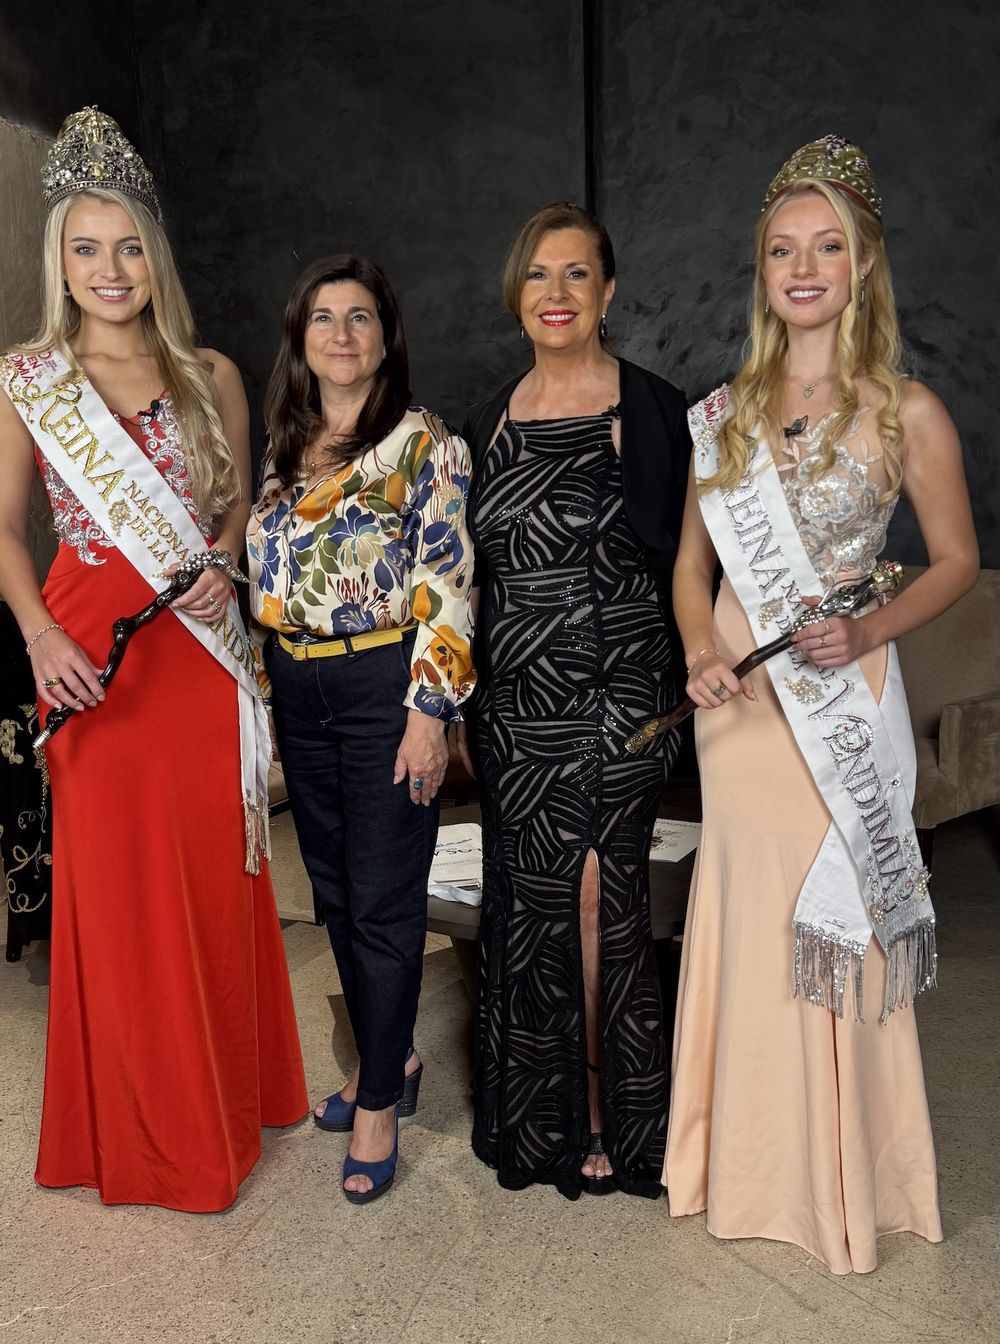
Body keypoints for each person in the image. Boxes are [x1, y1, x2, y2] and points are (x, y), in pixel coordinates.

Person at [665, 135, 979, 1272]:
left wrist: (866, 631)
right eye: (782, 249)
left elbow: (949, 561)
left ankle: (843, 1184)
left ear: (862, 264)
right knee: (750, 909)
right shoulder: (725, 417)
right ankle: (736, 1164)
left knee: (831, 915)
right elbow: (689, 573)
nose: (803, 267)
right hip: (741, 709)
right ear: (762, 269)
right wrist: (700, 647)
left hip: (842, 685)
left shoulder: (908, 412)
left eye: (826, 247)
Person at [0, 107, 307, 1212]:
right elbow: (1, 531)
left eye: (127, 246)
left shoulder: (209, 372)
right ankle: (136, 1130)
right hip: (88, 660)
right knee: (120, 895)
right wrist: (37, 637)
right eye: (86, 249)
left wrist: (223, 556)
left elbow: (234, 511)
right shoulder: (28, 381)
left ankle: (226, 1099)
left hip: (195, 655)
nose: (109, 269)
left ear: (153, 256)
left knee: (212, 883)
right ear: (61, 263)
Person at [462, 202, 691, 1199]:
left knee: (601, 897)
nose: (555, 296)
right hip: (514, 713)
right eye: (538, 277)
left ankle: (610, 1115)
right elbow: (464, 580)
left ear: (606, 292)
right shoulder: (483, 421)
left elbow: (694, 565)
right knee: (531, 907)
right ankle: (538, 1121)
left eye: (576, 276)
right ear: (517, 294)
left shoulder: (656, 411)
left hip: (620, 698)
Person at [248, 255, 475, 1204]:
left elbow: (452, 583)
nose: (342, 336)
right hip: (298, 690)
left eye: (361, 318)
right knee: (335, 892)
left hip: (387, 687)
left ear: (387, 336)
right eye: (323, 319)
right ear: (301, 338)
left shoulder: (426, 445)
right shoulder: (281, 447)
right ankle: (394, 1059)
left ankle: (378, 1099)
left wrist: (430, 714)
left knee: (385, 900)